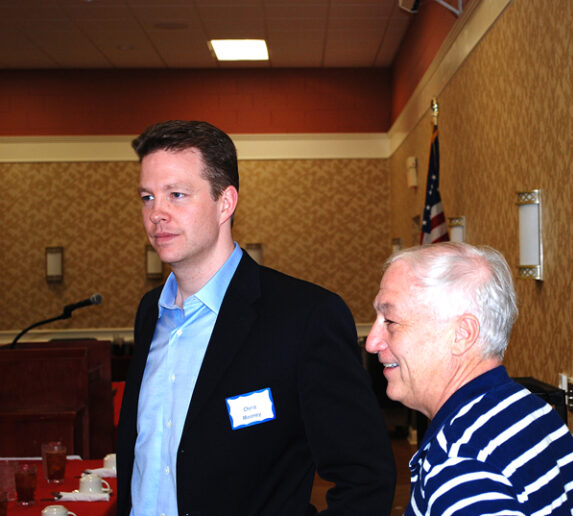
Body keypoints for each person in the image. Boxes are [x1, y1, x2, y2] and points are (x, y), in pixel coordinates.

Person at [116, 120, 395, 516]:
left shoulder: (304, 317)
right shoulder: (150, 313)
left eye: (176, 194)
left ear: (225, 203)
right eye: (147, 197)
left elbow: (366, 477)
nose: (156, 213)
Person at [366, 242, 573, 515]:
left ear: (462, 334)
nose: (372, 342)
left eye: (390, 321)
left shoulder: (462, 463)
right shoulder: (531, 409)